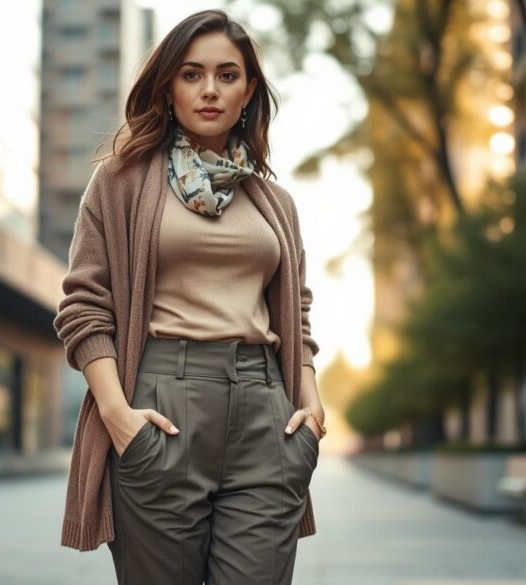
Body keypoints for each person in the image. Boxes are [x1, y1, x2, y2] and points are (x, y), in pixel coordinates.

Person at [53, 8, 326, 584]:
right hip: (162, 407)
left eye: (227, 75)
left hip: (265, 414)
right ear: (168, 86)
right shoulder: (121, 181)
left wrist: (310, 403)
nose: (209, 90)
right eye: (192, 74)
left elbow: (296, 313)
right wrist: (117, 415)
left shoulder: (274, 203)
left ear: (248, 90)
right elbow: (83, 305)